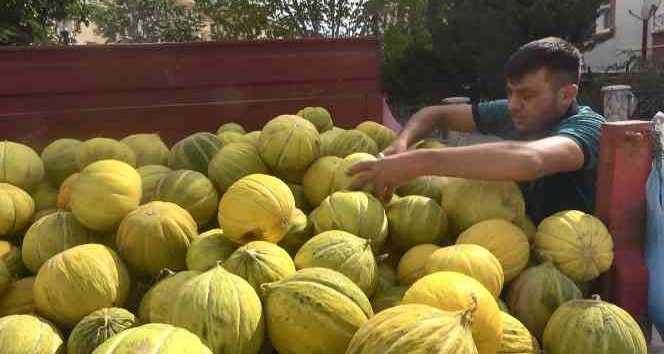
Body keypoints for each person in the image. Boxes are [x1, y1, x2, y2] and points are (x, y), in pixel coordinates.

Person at [348, 37, 606, 224]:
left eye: (527, 95)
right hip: (511, 242)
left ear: (566, 95)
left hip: (567, 264)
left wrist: (418, 163)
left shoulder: (588, 128)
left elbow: (531, 159)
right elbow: (435, 114)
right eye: (510, 92)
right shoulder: (515, 112)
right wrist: (402, 143)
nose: (514, 105)